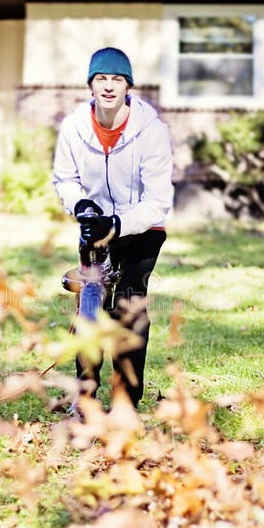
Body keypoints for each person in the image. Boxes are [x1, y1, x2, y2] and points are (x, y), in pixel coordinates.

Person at [53, 46, 174, 408]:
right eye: (101, 78)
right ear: (91, 85)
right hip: (94, 232)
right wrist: (83, 207)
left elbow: (157, 201)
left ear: (128, 87)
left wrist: (118, 224)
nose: (108, 86)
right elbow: (65, 178)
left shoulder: (151, 131)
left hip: (141, 232)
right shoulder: (73, 127)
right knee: (90, 310)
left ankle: (125, 402)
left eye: (117, 79)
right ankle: (85, 398)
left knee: (128, 310)